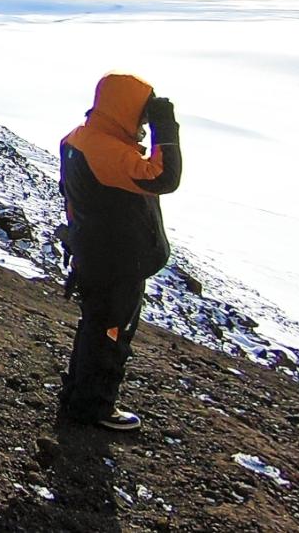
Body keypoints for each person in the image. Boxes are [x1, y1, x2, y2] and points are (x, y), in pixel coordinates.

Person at [56, 74, 181, 432]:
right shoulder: (108, 152)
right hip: (116, 261)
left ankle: (78, 396)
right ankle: (94, 408)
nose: (142, 124)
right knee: (110, 333)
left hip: (94, 254)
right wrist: (165, 126)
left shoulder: (80, 139)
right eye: (141, 115)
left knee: (94, 327)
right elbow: (164, 177)